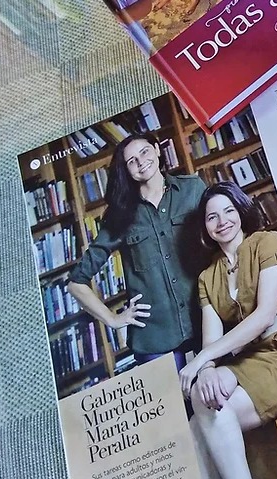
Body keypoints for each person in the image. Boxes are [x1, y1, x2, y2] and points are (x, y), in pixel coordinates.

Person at [179, 181, 277, 479]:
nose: (222, 221)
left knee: (207, 418)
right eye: (212, 217)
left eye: (229, 211)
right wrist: (206, 370)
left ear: (241, 212)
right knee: (201, 404)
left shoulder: (267, 242)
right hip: (253, 360)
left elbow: (265, 316)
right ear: (205, 227)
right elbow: (211, 340)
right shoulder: (207, 277)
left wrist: (202, 361)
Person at [68, 133, 206, 368]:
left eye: (144, 152)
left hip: (206, 319)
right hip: (154, 338)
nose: (141, 162)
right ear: (127, 170)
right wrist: (112, 319)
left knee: (219, 389)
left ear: (157, 150)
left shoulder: (192, 189)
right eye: (132, 161)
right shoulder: (119, 214)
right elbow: (76, 282)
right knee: (170, 394)